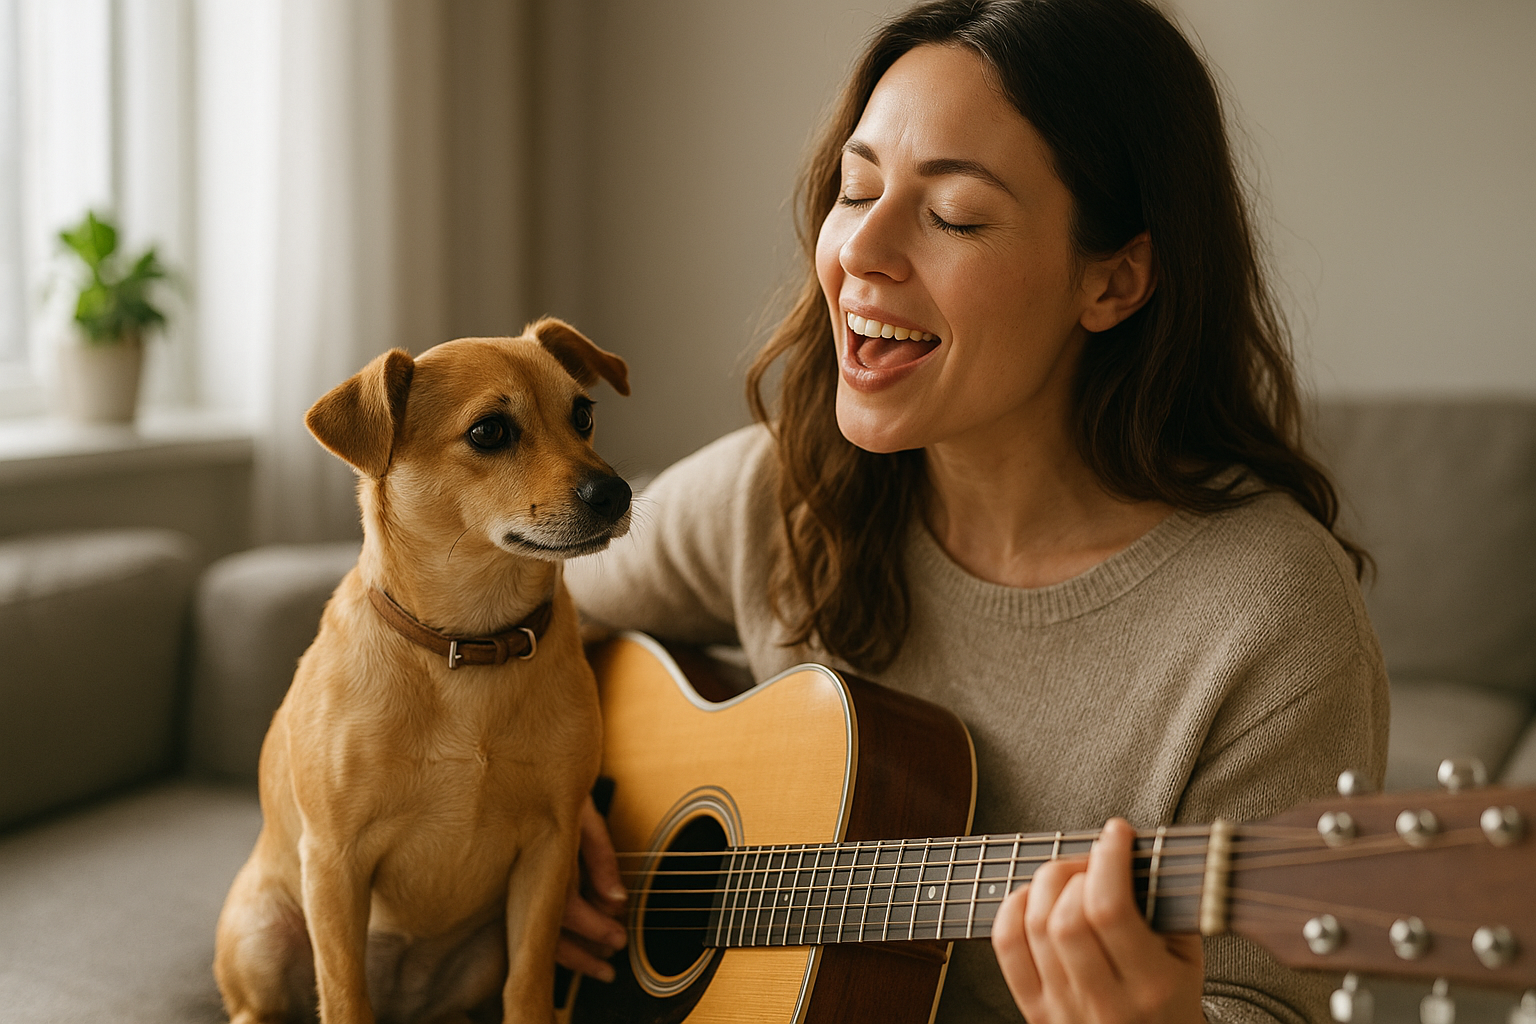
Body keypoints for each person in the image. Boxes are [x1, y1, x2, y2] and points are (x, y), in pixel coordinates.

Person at [555, 1, 1388, 1022]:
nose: (862, 250)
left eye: (953, 215)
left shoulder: (1271, 615)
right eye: (857, 189)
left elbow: (1268, 1004)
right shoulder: (784, 491)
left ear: (1115, 279)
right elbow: (474, 604)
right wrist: (527, 793)